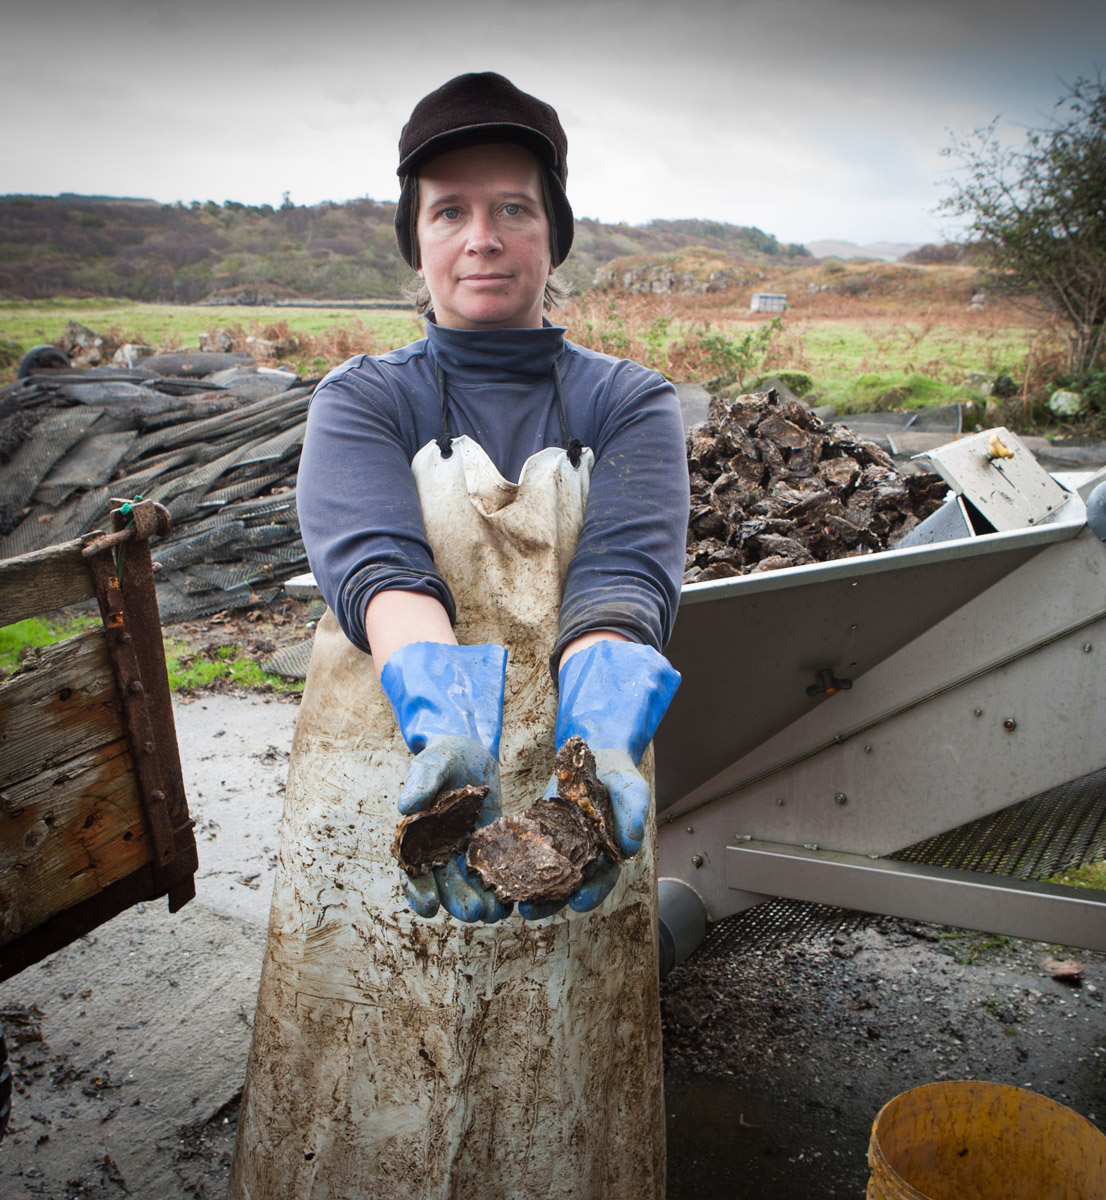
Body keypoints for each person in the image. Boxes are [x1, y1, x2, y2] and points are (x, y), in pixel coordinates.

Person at [227, 72, 689, 1200]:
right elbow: (377, 563)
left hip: (581, 786)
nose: (482, 238)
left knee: (555, 1093)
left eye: (513, 208)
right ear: (417, 241)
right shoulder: (363, 399)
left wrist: (604, 749)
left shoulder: (629, 401)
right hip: (388, 777)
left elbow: (624, 579)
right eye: (450, 211)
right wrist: (445, 721)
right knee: (361, 1087)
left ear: (553, 233)